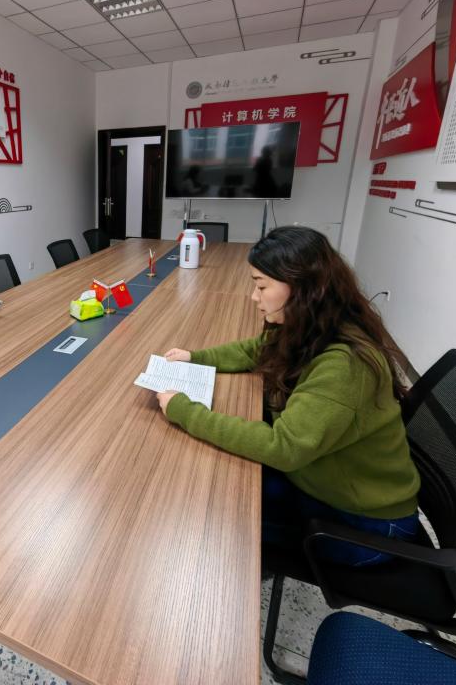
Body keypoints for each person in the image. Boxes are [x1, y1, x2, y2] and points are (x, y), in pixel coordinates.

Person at [156, 226, 421, 567]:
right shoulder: (315, 324)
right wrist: (196, 357)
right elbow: (256, 350)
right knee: (215, 487)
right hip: (320, 481)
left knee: (209, 521)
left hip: (365, 526)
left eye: (261, 286)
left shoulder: (344, 365)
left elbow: (283, 448)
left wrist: (185, 410)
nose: (254, 297)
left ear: (303, 287)